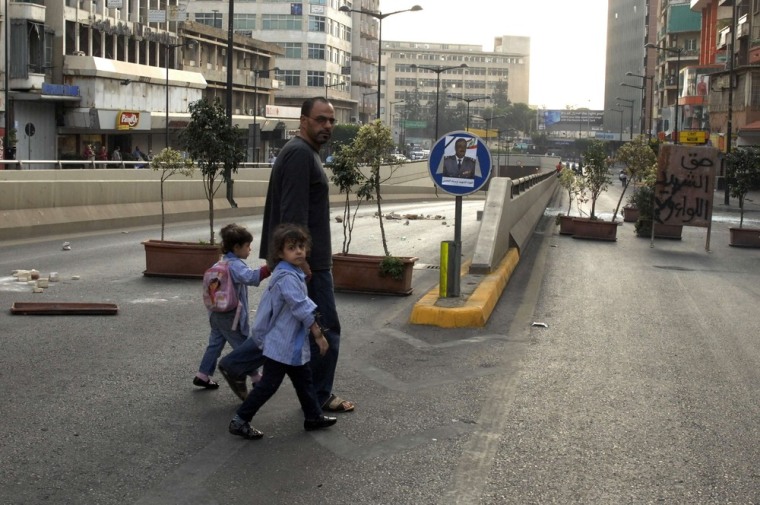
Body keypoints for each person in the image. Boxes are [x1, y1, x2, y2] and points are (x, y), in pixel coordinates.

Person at [218, 97, 355, 413]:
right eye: (321, 120)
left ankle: (237, 364)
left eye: (331, 121)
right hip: (306, 265)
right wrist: (303, 263)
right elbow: (293, 214)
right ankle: (319, 395)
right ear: (304, 120)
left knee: (286, 326)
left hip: (300, 262)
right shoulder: (298, 155)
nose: (328, 126)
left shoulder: (303, 154)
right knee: (327, 327)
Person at [227, 223, 337, 440]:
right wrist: (318, 334)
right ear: (280, 253)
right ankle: (240, 420)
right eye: (291, 248)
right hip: (282, 344)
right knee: (268, 385)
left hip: (291, 344)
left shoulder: (291, 272)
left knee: (304, 381)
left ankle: (313, 416)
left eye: (301, 247)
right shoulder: (286, 277)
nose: (298, 251)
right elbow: (300, 306)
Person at [193, 224, 271, 390]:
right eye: (247, 246)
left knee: (215, 344)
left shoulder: (220, 263)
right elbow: (251, 277)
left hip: (215, 312)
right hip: (230, 315)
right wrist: (269, 268)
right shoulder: (236, 265)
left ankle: (203, 374)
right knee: (243, 346)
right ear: (236, 247)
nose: (250, 249)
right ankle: (256, 377)